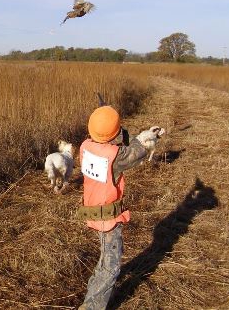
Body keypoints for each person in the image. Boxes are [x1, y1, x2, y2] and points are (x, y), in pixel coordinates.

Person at [78, 105, 153, 310]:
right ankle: (92, 306)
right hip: (108, 218)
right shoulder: (115, 157)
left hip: (93, 212)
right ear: (115, 133)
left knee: (105, 259)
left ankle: (93, 295)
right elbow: (135, 153)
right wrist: (144, 137)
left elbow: (111, 146)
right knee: (111, 267)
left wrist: (115, 134)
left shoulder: (85, 146)